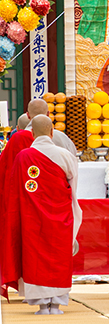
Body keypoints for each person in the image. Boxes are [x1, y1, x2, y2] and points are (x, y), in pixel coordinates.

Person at [1, 116, 82, 315]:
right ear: (52, 132)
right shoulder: (65, 155)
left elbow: (14, 193)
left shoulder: (23, 156)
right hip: (60, 216)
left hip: (32, 218)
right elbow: (73, 188)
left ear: (33, 134)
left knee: (35, 258)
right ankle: (56, 304)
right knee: (59, 256)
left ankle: (41, 304)